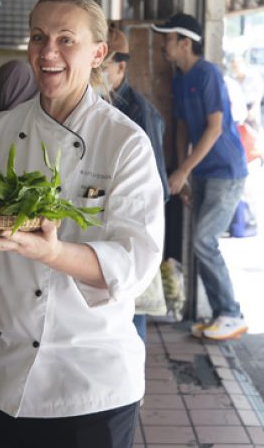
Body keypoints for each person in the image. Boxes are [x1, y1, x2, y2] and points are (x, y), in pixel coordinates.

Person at [0, 0, 164, 447]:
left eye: (66, 39)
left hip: (88, 387)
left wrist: (53, 253)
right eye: (38, 37)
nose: (48, 51)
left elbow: (133, 265)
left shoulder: (125, 143)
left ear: (97, 53)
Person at [153, 13, 249, 341]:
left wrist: (181, 171)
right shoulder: (179, 78)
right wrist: (185, 173)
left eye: (166, 39)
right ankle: (221, 314)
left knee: (203, 241)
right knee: (202, 243)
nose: (162, 45)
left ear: (185, 42)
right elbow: (180, 128)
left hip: (226, 170)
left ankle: (231, 313)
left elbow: (214, 128)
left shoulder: (207, 74)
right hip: (204, 171)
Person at [102, 25, 168, 341]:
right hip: (101, 241)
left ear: (121, 67)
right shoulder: (102, 106)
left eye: (102, 67)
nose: (94, 73)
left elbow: (159, 190)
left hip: (130, 239)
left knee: (131, 328)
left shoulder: (139, 114)